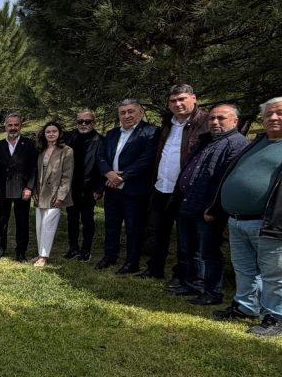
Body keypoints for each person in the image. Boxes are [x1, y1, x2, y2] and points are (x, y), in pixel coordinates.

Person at [207, 96, 282, 338]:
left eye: (281, 113)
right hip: (238, 221)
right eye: (268, 114)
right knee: (245, 269)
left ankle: (277, 318)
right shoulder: (259, 141)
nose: (273, 117)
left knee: (278, 274)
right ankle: (246, 307)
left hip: (277, 223)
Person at [169, 105, 249, 304]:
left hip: (208, 209)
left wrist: (214, 208)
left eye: (221, 118)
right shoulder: (207, 141)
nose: (214, 122)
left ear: (235, 121)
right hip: (188, 203)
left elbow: (227, 180)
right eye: (212, 118)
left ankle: (212, 292)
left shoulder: (237, 144)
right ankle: (192, 284)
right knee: (189, 249)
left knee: (209, 252)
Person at [140, 84, 208, 281]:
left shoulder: (204, 123)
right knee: (158, 231)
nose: (177, 104)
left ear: (194, 98)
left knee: (186, 235)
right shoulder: (168, 123)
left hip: (186, 190)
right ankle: (155, 269)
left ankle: (183, 275)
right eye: (173, 101)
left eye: (182, 99)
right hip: (162, 186)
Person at [96, 99, 160, 274]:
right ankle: (110, 256)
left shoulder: (150, 132)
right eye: (122, 112)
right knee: (111, 225)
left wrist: (121, 177)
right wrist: (108, 173)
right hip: (112, 188)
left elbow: (146, 160)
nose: (127, 116)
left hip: (134, 189)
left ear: (141, 112)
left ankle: (132, 262)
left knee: (134, 227)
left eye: (131, 111)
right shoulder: (112, 133)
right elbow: (101, 156)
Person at [0, 113, 37, 262]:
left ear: (20, 126)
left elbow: (34, 168)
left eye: (16, 125)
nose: (13, 128)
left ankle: (21, 252)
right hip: (2, 190)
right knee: (2, 221)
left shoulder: (29, 144)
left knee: (22, 223)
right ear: (5, 127)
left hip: (22, 190)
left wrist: (29, 187)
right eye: (10, 125)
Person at [32, 122, 74, 267]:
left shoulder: (66, 151)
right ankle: (40, 253)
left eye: (54, 131)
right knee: (40, 225)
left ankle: (44, 256)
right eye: (48, 132)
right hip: (41, 193)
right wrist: (34, 191)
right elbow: (37, 173)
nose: (51, 134)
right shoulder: (41, 150)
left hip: (55, 193)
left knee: (48, 225)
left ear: (59, 133)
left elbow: (67, 176)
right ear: (44, 134)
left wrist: (61, 196)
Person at [63, 110, 103, 261]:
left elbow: (104, 166)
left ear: (94, 122)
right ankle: (73, 248)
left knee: (87, 219)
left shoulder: (101, 141)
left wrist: (100, 188)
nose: (83, 124)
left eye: (87, 121)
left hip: (90, 187)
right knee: (71, 218)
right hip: (71, 186)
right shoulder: (68, 137)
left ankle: (86, 250)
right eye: (80, 121)